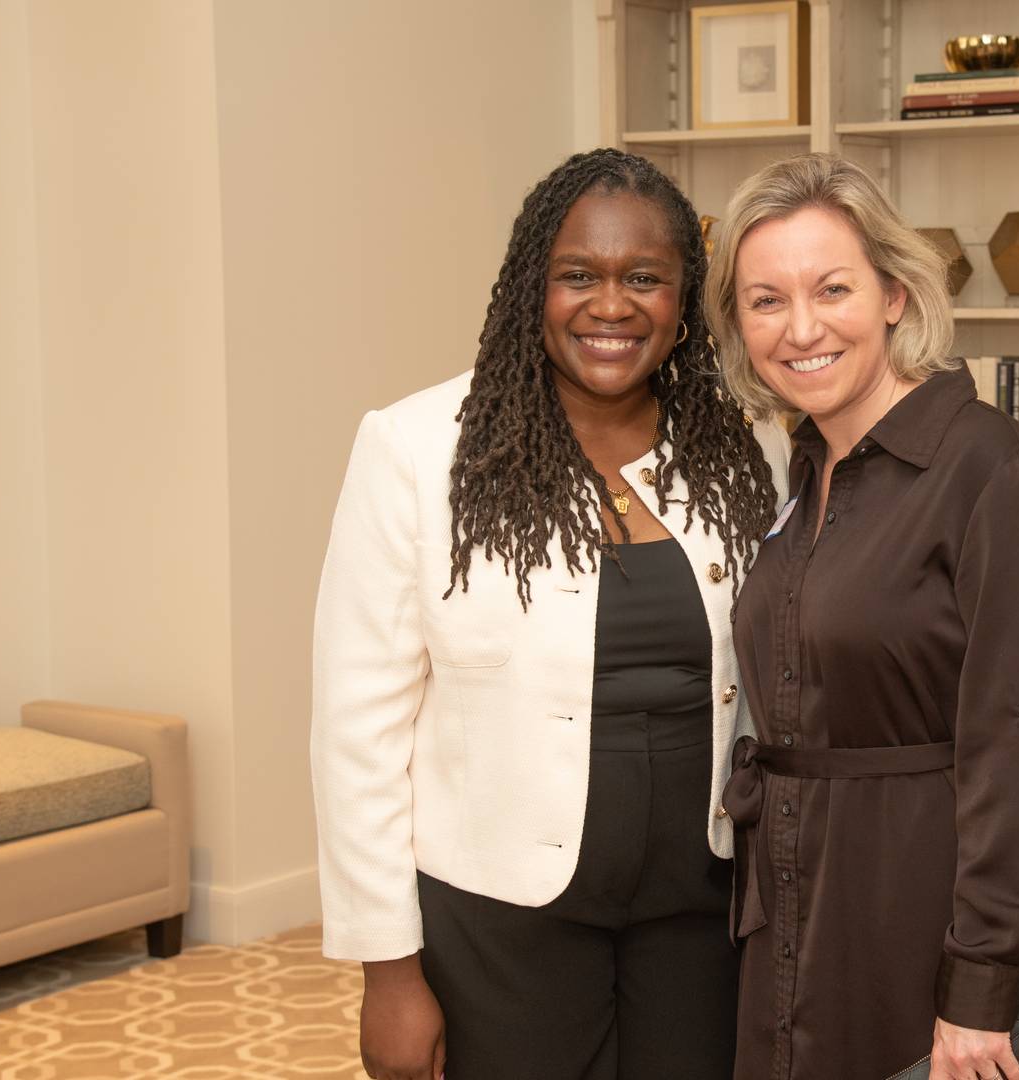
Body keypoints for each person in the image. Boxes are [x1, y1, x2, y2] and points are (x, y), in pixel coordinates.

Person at [311, 147, 791, 1080]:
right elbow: (356, 734)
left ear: (684, 300)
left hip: (702, 908)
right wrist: (389, 972)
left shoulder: (750, 448)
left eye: (644, 278)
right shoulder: (415, 450)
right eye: (578, 275)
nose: (611, 306)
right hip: (499, 917)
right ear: (533, 286)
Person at [705, 152, 1019, 1080]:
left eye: (832, 289)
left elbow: (1018, 747)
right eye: (765, 301)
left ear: (895, 296)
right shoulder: (802, 466)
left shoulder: (991, 470)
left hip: (920, 908)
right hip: (794, 898)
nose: (801, 329)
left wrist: (984, 983)